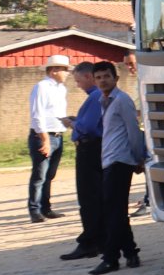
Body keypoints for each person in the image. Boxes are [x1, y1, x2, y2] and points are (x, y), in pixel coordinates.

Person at [90, 62, 147, 275]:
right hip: (109, 159)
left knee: (112, 211)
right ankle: (131, 252)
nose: (103, 80)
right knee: (116, 211)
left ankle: (111, 258)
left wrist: (138, 157)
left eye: (106, 76)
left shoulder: (122, 101)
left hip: (120, 160)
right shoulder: (103, 100)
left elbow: (133, 131)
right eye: (99, 77)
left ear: (116, 78)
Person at [59, 63, 108, 261]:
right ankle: (100, 240)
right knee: (97, 197)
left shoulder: (96, 96)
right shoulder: (99, 97)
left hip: (91, 149)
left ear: (89, 76)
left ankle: (90, 242)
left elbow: (88, 127)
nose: (78, 85)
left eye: (78, 81)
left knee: (89, 198)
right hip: (97, 148)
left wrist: (73, 123)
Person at [25, 54, 72, 223]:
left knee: (49, 175)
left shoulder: (61, 89)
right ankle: (35, 210)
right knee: (39, 175)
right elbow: (37, 115)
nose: (67, 73)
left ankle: (46, 207)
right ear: (53, 70)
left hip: (58, 135)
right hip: (44, 136)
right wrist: (44, 139)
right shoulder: (42, 87)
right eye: (65, 70)